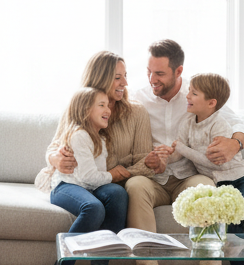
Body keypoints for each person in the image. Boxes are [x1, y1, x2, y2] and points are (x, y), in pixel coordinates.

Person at [164, 73, 244, 265]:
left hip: (240, 178)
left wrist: (181, 148)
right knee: (231, 230)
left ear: (211, 103)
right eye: (189, 90)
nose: (187, 96)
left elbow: (212, 160)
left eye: (193, 93)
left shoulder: (219, 122)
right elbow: (179, 154)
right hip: (218, 185)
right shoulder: (187, 123)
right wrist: (166, 155)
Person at [42, 87, 129, 265]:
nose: (108, 109)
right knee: (94, 208)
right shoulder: (79, 134)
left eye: (108, 105)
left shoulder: (98, 137)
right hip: (65, 186)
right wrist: (114, 173)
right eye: (101, 105)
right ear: (84, 111)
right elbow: (91, 177)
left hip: (87, 186)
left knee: (118, 194)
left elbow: (92, 179)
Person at [36, 51, 158, 193]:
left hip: (112, 187)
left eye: (125, 76)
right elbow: (54, 146)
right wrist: (55, 158)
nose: (125, 83)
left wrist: (115, 175)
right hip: (76, 183)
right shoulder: (76, 107)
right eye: (118, 77)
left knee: (115, 195)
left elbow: (145, 162)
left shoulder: (137, 112)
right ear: (101, 79)